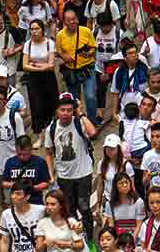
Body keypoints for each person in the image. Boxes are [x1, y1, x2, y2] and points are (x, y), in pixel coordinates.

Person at [42, 96, 97, 242]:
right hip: (64, 176)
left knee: (84, 208)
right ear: (57, 111)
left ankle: (90, 240)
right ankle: (75, 238)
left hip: (83, 173)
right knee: (69, 208)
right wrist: (50, 173)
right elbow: (48, 152)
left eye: (69, 110)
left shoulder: (79, 122)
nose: (66, 113)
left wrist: (81, 113)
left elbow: (93, 132)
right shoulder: (51, 129)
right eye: (63, 110)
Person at [0, 180, 45, 252]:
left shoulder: (41, 210)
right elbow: (5, 240)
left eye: (18, 194)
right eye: (12, 193)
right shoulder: (6, 214)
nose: (13, 197)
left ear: (27, 197)